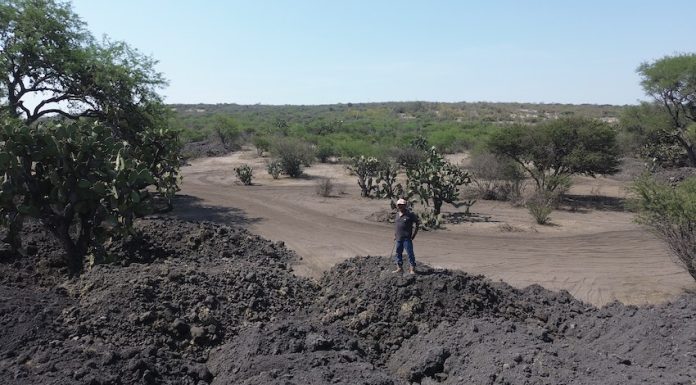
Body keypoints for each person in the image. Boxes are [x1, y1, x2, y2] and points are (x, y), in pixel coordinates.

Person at [393, 198, 420, 274]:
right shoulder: (397, 214)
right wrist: (395, 235)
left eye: (402, 205)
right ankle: (399, 268)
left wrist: (414, 234)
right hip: (398, 238)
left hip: (407, 238)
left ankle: (412, 269)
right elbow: (397, 226)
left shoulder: (410, 214)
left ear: (405, 205)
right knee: (398, 253)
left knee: (410, 253)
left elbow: (417, 223)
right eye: (399, 205)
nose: (400, 206)